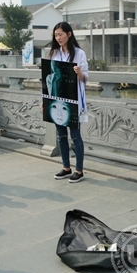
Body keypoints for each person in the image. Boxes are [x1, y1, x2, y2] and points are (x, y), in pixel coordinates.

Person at [49, 22, 89, 183]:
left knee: (75, 136)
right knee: (61, 135)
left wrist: (79, 73)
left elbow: (85, 79)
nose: (58, 38)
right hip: (57, 98)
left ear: (69, 34)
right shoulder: (54, 53)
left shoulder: (79, 53)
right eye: (56, 35)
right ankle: (66, 168)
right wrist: (45, 100)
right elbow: (49, 78)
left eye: (60, 34)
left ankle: (79, 170)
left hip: (73, 101)